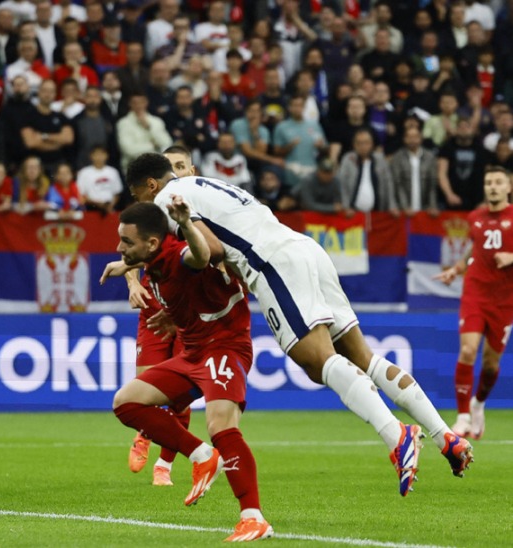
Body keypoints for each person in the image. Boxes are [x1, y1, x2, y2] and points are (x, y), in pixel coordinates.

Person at [124, 152, 475, 496]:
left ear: (150, 185)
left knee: (316, 360)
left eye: (137, 195)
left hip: (274, 265)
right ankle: (445, 436)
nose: (139, 205)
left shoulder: (167, 200)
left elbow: (211, 250)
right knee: (361, 357)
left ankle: (396, 436)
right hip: (303, 248)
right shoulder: (205, 184)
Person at [103, 200, 273, 542]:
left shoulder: (178, 254)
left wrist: (186, 222)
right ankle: (201, 455)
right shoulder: (153, 262)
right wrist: (132, 271)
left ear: (152, 242)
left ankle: (253, 518)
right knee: (126, 401)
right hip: (193, 351)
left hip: (224, 347)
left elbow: (199, 256)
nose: (120, 247)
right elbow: (177, 282)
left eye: (127, 242)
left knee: (221, 426)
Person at [124, 145, 196, 487]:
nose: (176, 172)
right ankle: (145, 431)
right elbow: (127, 252)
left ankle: (164, 466)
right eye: (171, 166)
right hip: (153, 310)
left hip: (186, 312)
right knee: (147, 387)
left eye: (181, 166)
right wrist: (131, 284)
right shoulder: (146, 213)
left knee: (180, 396)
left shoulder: (195, 210)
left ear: (192, 171)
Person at [434, 166, 513, 441]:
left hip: (504, 300)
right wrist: (457, 269)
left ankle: (478, 404)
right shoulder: (475, 217)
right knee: (468, 351)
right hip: (475, 293)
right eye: (489, 182)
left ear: (509, 187)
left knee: (490, 365)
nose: (493, 186)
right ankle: (463, 416)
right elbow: (474, 248)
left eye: (498, 182)